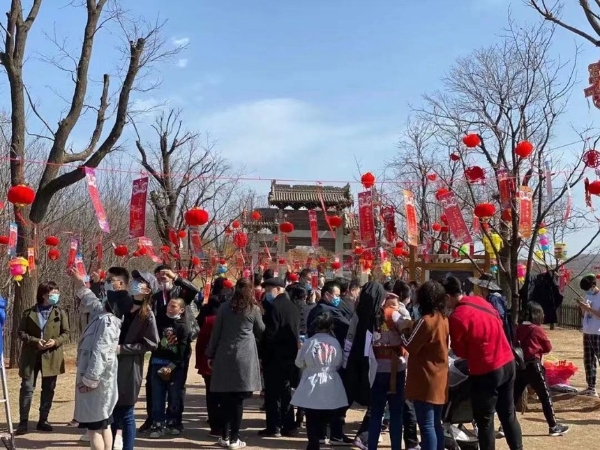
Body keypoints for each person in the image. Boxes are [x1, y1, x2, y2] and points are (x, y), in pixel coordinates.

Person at [442, 276, 523, 450]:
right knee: (508, 414)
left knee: (485, 420)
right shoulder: (480, 301)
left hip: (486, 370)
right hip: (508, 362)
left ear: (448, 297)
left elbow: (460, 352)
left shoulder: (456, 317)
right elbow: (499, 322)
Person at [139, 265, 199, 433]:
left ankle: (175, 421)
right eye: (159, 276)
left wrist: (177, 277)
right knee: (153, 385)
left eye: (165, 275)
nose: (162, 278)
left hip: (179, 347)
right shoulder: (156, 296)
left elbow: (195, 291)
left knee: (176, 387)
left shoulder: (181, 294)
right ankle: (153, 419)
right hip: (159, 347)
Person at [206, 278, 265, 449]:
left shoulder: (224, 308)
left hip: (224, 354)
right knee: (237, 401)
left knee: (224, 398)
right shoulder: (253, 309)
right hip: (245, 355)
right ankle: (234, 438)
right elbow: (261, 331)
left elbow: (216, 333)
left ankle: (224, 435)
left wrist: (210, 354)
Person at [71, 268, 123, 450]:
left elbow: (101, 353)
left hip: (97, 384)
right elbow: (90, 300)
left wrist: (90, 380)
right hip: (99, 384)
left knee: (94, 430)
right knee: (105, 425)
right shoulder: (102, 316)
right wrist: (79, 281)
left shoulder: (108, 322)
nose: (102, 299)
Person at [16, 281, 70, 435]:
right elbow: (21, 332)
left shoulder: (60, 313)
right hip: (30, 356)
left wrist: (55, 341)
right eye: (53, 293)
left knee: (48, 389)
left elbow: (66, 333)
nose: (56, 296)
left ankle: (43, 420)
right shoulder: (29, 312)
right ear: (44, 294)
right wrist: (34, 341)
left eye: (57, 293)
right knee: (27, 388)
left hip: (51, 356)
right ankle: (23, 421)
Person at [402, 280, 449, 450]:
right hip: (439, 377)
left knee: (426, 425)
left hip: (424, 378)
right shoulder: (443, 319)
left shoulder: (425, 321)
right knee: (436, 424)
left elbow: (410, 344)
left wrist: (402, 328)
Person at [291, 312, 348, 450]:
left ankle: (313, 442)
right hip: (330, 379)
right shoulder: (335, 342)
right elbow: (339, 362)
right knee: (328, 411)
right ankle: (325, 435)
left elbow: (299, 363)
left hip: (312, 380)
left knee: (311, 414)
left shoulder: (310, 342)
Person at [513, 302, 569, 436]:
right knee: (545, 396)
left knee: (513, 398)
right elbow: (548, 348)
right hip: (534, 366)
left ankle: (504, 427)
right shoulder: (536, 329)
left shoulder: (518, 328)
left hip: (520, 366)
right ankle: (553, 426)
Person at [369, 292, 413, 450]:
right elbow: (408, 330)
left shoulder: (372, 315)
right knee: (396, 413)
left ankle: (371, 446)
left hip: (376, 369)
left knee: (376, 413)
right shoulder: (394, 315)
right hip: (396, 369)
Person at [259, 277, 301, 438]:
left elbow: (270, 333)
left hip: (274, 357)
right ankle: (288, 425)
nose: (267, 293)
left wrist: (263, 355)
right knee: (286, 392)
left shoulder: (274, 307)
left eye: (269, 290)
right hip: (290, 355)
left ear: (278, 289)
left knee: (272, 394)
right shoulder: (293, 307)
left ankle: (274, 426)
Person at [149, 297, 190, 438]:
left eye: (174, 306)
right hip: (158, 362)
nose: (170, 308)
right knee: (158, 396)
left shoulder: (183, 326)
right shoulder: (159, 320)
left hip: (175, 367)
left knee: (174, 396)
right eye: (169, 305)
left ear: (181, 309)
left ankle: (173, 422)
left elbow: (183, 351)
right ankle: (158, 424)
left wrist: (172, 366)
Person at [392, 280, 420, 450]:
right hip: (402, 362)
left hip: (385, 363)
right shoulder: (403, 313)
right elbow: (408, 340)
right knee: (407, 403)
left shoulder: (385, 311)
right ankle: (411, 441)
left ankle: (365, 436)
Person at [196, 294, 224, 437]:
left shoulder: (208, 321)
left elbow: (200, 345)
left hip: (209, 364)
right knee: (225, 395)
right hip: (226, 364)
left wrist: (199, 363)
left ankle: (215, 426)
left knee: (211, 395)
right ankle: (226, 424)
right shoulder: (229, 320)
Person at [577, 274, 600, 397]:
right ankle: (591, 387)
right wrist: (582, 308)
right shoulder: (588, 296)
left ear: (593, 286)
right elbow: (585, 314)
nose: (587, 292)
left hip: (598, 333)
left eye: (587, 289)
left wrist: (589, 309)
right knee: (588, 360)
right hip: (587, 331)